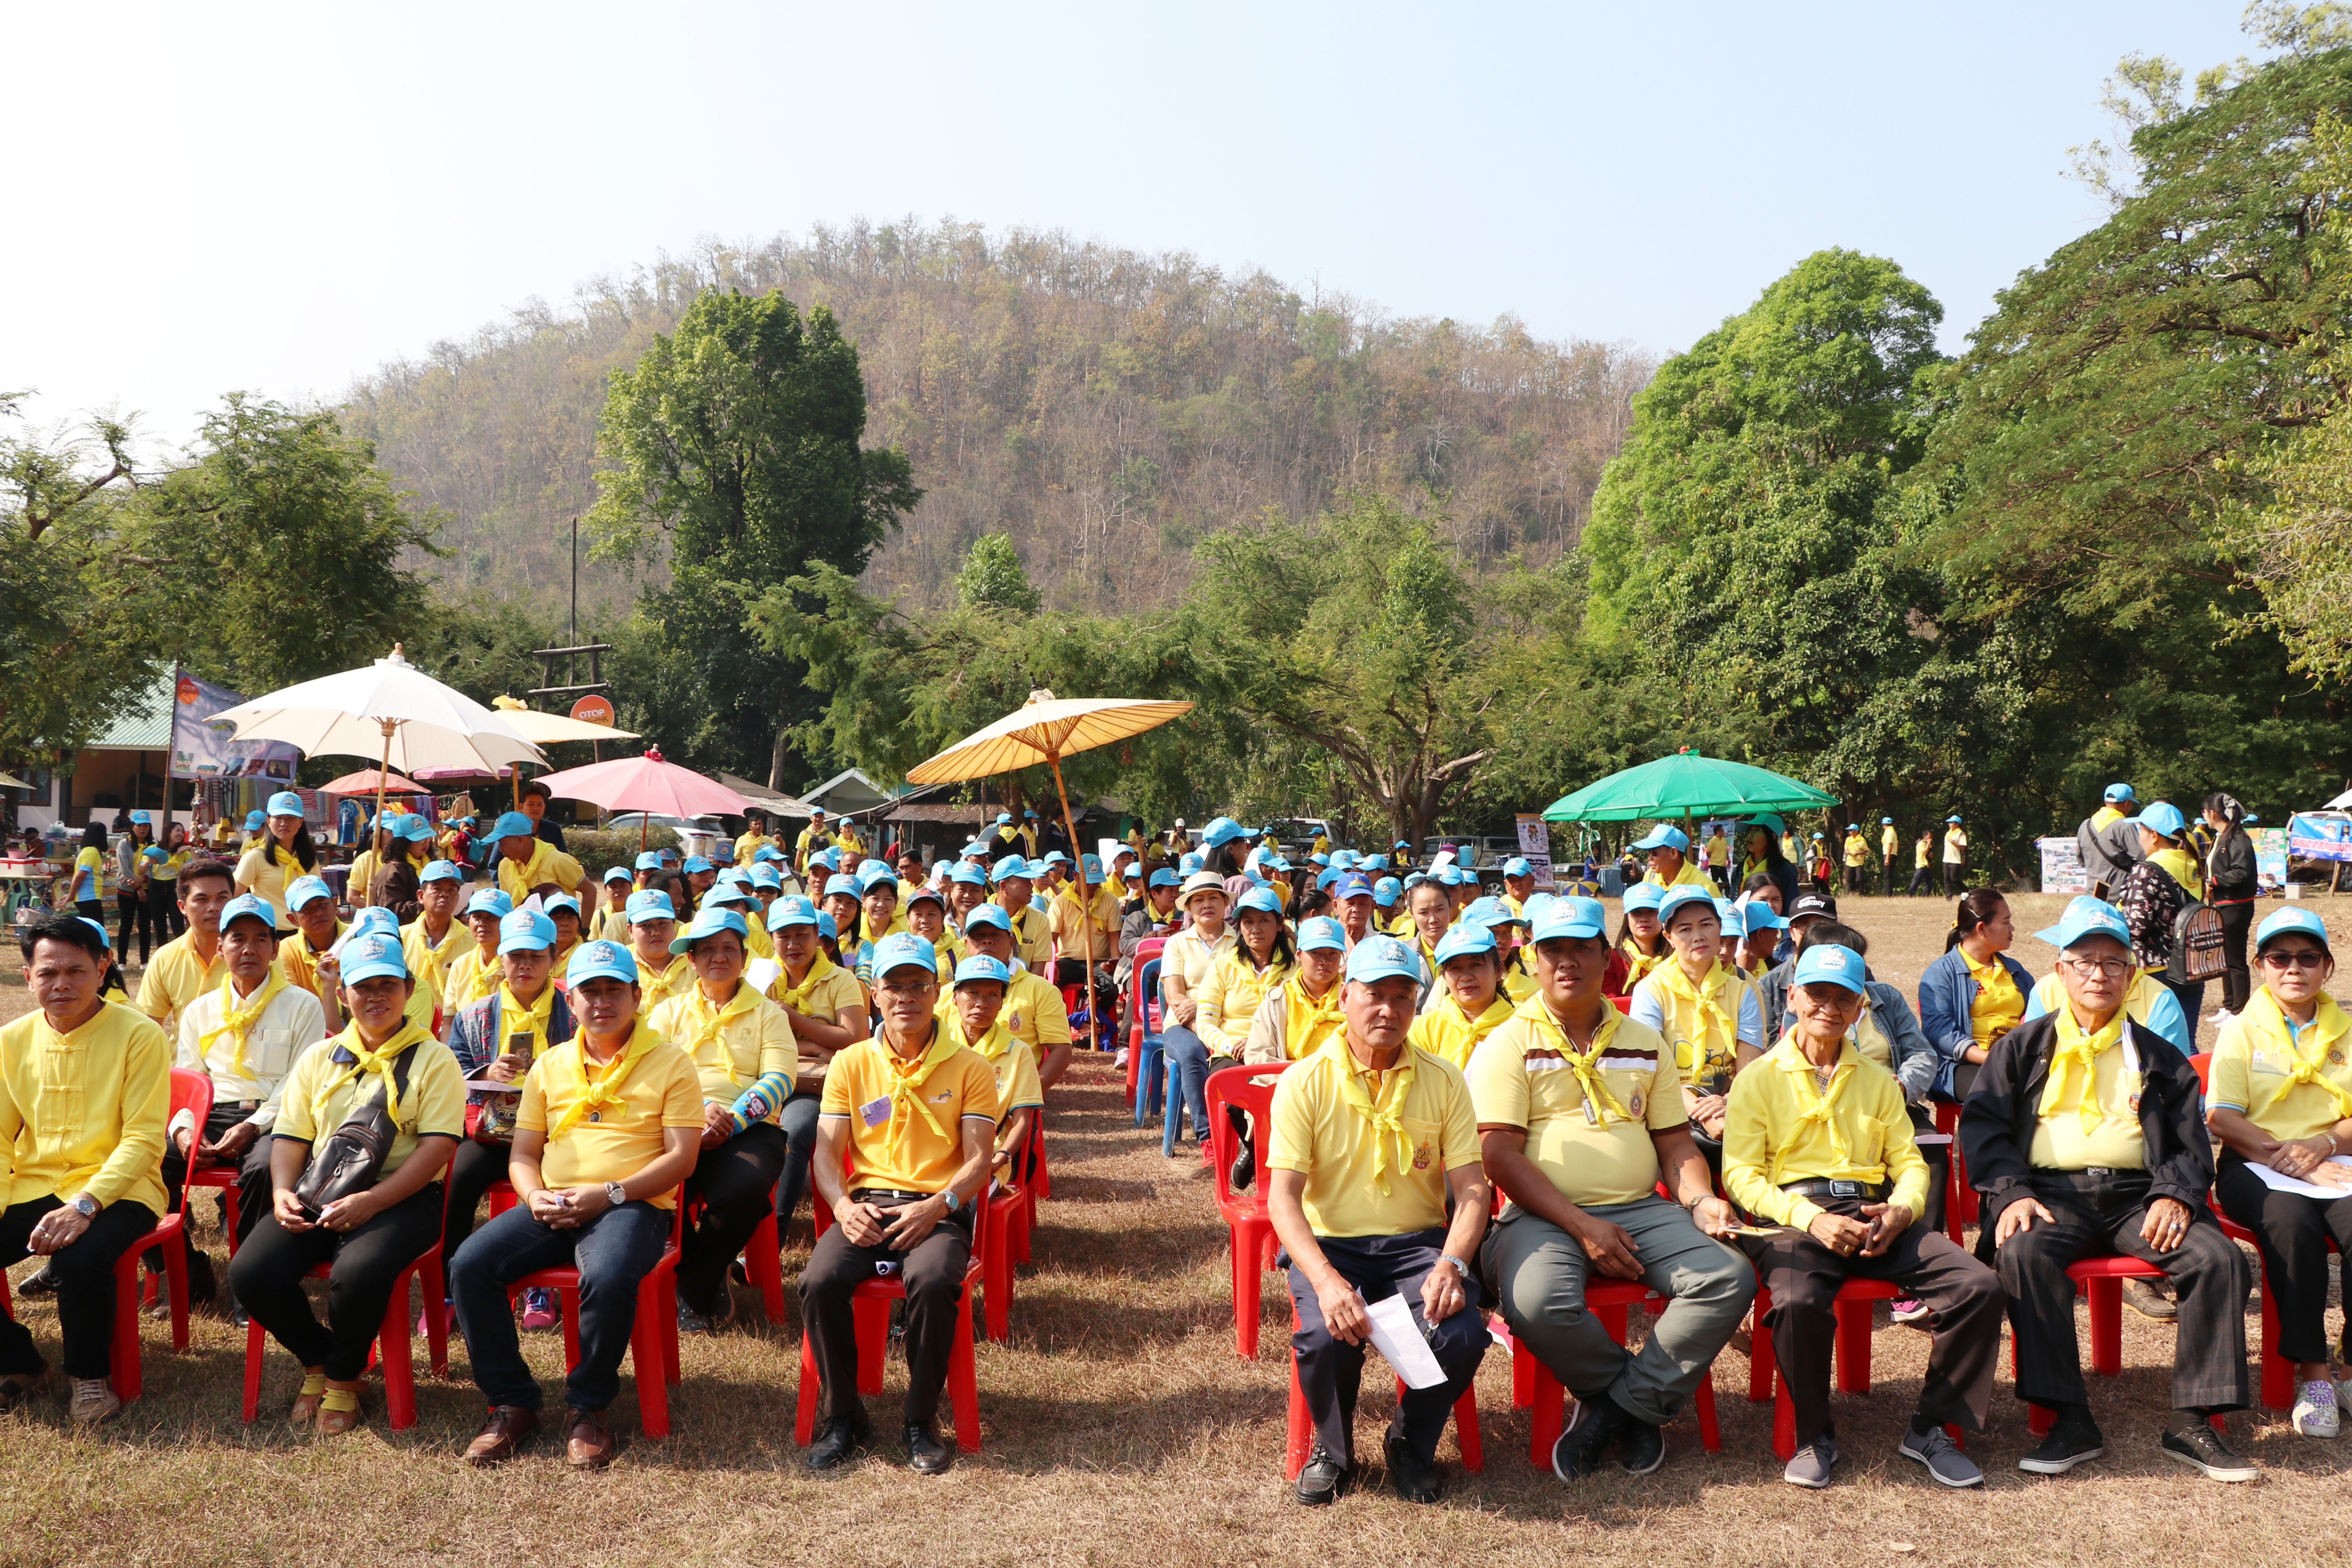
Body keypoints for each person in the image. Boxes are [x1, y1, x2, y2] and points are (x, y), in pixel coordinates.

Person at [1957, 897, 2256, 1482]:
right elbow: (1984, 1127)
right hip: (2048, 1194)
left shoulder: (2159, 1055)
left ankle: (2193, 1420)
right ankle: (2069, 1417)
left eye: (2113, 964)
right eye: (2085, 962)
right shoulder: (2020, 1047)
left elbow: (2189, 1142)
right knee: (2023, 1253)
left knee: (2217, 1258)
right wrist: (2012, 1193)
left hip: (2138, 1197)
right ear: (2061, 972)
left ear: (2132, 975)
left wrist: (2175, 1194)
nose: (2099, 975)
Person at [1470, 896, 1755, 1481]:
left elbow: (1676, 1143)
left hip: (1639, 1208)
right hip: (1541, 1215)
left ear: (1608, 958)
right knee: (1534, 1303)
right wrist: (1583, 1226)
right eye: (1553, 951)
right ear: (1532, 960)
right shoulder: (1507, 1040)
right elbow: (1498, 1154)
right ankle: (1631, 1399)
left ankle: (1619, 1409)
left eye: (1581, 948)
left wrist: (1701, 1199)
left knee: (1729, 1275)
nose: (1567, 962)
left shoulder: (1643, 1041)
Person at [1725, 943, 2003, 1489]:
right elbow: (1741, 1177)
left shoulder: (1878, 1081)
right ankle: (1814, 1434)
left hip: (1874, 1210)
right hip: (1792, 1215)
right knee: (1798, 1302)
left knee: (1979, 1285)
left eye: (1843, 998)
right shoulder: (1757, 1078)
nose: (1829, 1007)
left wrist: (1903, 1208)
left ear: (1859, 1010)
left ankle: (1931, 1426)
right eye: (1817, 994)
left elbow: (1910, 1162)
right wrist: (1809, 1218)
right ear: (1792, 996)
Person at [451, 941, 703, 1470]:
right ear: (573, 1003)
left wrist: (609, 1193)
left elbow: (682, 1159)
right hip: (556, 1200)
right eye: (591, 990)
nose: (603, 1001)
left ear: (638, 996)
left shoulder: (671, 1062)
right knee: (470, 1266)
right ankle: (512, 1402)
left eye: (615, 990)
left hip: (630, 1203)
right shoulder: (551, 1064)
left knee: (608, 1277)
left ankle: (588, 1406)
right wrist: (534, 1195)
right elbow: (523, 1154)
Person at [1267, 935, 1490, 1505]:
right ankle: (1334, 1453)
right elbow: (1283, 1199)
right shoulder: (1305, 1081)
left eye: (1402, 997)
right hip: (1331, 1242)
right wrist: (1325, 1280)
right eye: (1374, 995)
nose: (1388, 1010)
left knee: (1461, 1331)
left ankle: (1411, 1443)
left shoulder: (1443, 1080)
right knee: (1324, 1333)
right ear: (1345, 998)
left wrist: (1451, 1263)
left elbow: (1471, 1190)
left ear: (1418, 1005)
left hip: (1415, 1245)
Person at [227, 931, 463, 1434]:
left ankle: (341, 1376)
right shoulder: (320, 1057)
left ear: (408, 987)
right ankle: (319, 1357)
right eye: (363, 987)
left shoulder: (435, 1059)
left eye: (387, 985)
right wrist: (283, 1192)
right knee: (251, 1272)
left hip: (403, 1194)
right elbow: (291, 1136)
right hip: (320, 1188)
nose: (376, 996)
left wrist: (373, 1201)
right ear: (342, 994)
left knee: (357, 1270)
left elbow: (437, 1148)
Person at [799, 933, 1001, 1474]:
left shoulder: (971, 1068)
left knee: (935, 1282)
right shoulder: (851, 1063)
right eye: (894, 986)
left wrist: (938, 1206)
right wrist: (843, 1207)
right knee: (818, 1281)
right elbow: (825, 1153)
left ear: (937, 993)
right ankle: (844, 1415)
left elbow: (981, 1161)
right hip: (866, 1204)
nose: (906, 997)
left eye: (918, 985)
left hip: (938, 1209)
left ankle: (920, 1417)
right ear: (874, 993)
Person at [0, 914, 170, 1423]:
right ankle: (23, 1363)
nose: (62, 985)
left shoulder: (139, 1035)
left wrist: (86, 1204)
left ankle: (88, 1377)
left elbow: (143, 1139)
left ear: (103, 968)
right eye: (48, 973)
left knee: (79, 1257)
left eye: (76, 971)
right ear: (27, 976)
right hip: (37, 1183)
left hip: (123, 1189)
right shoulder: (10, 1040)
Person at [2203, 907, 2352, 1437]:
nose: (2294, 968)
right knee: (2292, 1226)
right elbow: (2221, 1117)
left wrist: (2324, 1144)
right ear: (2260, 966)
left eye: (2307, 957)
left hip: (2337, 1162)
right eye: (2279, 957)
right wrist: (2293, 1161)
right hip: (2257, 1165)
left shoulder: (2348, 1029)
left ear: (2327, 967)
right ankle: (2312, 1373)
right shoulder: (2243, 1031)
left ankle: (2350, 1367)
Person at [166, 893, 324, 1315]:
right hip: (211, 1113)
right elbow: (189, 1080)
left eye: (261, 938)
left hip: (275, 1116)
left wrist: (254, 1125)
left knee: (263, 1167)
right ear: (221, 947)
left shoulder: (302, 1005)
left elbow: (299, 1081)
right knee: (146, 1160)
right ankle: (184, 1267)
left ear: (276, 948)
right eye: (238, 938)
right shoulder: (200, 1010)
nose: (249, 948)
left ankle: (250, 1282)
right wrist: (183, 1132)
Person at [646, 907, 797, 1334]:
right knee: (646, 1183)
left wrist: (731, 1118)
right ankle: (707, 1276)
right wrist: (696, 1113)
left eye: (729, 948)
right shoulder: (667, 1012)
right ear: (691, 959)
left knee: (747, 1188)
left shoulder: (769, 1014)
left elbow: (781, 1078)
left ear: (744, 957)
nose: (719, 956)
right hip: (677, 1122)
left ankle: (690, 1283)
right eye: (708, 948)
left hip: (747, 1127)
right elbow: (653, 1074)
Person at [441, 907, 577, 1325]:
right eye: (516, 956)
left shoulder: (574, 1012)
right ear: (500, 960)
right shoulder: (474, 1015)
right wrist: (485, 1073)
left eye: (536, 956)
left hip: (556, 1132)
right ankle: (449, 1290)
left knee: (557, 1177)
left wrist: (551, 1074)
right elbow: (450, 1072)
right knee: (458, 1176)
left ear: (553, 958)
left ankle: (541, 1288)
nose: (525, 966)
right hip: (492, 1133)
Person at [1630, 886, 1763, 1174]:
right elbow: (1649, 1072)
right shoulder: (1651, 991)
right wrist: (1701, 1112)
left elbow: (1750, 1070)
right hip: (1671, 1104)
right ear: (1668, 937)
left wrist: (1728, 1104)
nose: (1698, 936)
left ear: (1719, 929)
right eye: (1685, 929)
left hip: (1730, 1103)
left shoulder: (1742, 991)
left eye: (1706, 925)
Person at [764, 894, 871, 1237]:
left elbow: (856, 1039)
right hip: (764, 1076)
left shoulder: (842, 979)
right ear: (771, 938)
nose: (794, 944)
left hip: (814, 1087)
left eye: (802, 934)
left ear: (817, 935)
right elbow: (751, 1039)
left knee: (795, 1130)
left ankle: (772, 1235)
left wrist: (793, 1018)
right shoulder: (762, 977)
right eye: (784, 936)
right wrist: (813, 1045)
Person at [1169, 886, 1292, 1149]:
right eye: (1248, 922)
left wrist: (1259, 1045)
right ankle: (1255, 1147)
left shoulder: (1295, 967)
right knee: (1235, 1087)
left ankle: (1261, 1150)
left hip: (1282, 1053)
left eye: (1264, 921)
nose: (1255, 929)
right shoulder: (1224, 965)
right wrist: (1232, 1046)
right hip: (1232, 1053)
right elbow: (1205, 1023)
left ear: (1280, 925)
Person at [1918, 889, 2033, 1111]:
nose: (2012, 929)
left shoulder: (2015, 971)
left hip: (2013, 1063)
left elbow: (2038, 1015)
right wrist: (1990, 1059)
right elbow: (1940, 1031)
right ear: (1982, 929)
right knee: (2000, 1095)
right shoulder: (1942, 973)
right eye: (2006, 922)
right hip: (1961, 1066)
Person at [938, 954, 1045, 1182]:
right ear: (955, 997)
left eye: (993, 995)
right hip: (937, 1154)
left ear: (1002, 1003)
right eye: (973, 993)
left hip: (989, 1156)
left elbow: (1023, 1120)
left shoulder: (1018, 1051)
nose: (982, 1003)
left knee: (961, 1202)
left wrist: (1002, 1157)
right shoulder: (938, 1046)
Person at [956, 904, 1073, 1088]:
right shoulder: (950, 992)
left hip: (1010, 1090)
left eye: (995, 935)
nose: (987, 942)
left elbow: (1061, 1051)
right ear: (966, 943)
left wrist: (1029, 1093)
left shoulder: (1040, 989)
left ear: (1011, 943)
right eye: (978, 937)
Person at [2114, 800, 2207, 1028]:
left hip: (2157, 971)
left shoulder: (2146, 870)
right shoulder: (2191, 863)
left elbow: (2136, 927)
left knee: (2154, 1042)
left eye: (2141, 830)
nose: (2140, 837)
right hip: (2191, 966)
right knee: (2187, 1041)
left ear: (2154, 835)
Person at [136, 857, 240, 1040]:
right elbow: (146, 1029)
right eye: (202, 899)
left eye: (222, 898)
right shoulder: (165, 958)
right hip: (183, 1066)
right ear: (182, 907)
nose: (214, 908)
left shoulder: (257, 954)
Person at [1409, 925, 1515, 1071]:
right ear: (1444, 976)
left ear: (1498, 970)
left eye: (1476, 965)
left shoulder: (1521, 1026)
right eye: (1455, 968)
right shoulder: (1423, 1030)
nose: (1466, 977)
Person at [2201, 794, 2258, 1020]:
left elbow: (2242, 872)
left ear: (2213, 814)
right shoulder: (2221, 837)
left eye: (2204, 812)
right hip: (2222, 905)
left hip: (2236, 907)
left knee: (2235, 959)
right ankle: (2229, 1005)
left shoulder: (2238, 839)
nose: (2203, 816)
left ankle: (2239, 1010)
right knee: (2224, 959)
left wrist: (2214, 881)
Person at [235, 791, 316, 932]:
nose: (284, 823)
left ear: (301, 822)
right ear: (268, 821)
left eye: (291, 818)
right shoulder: (255, 857)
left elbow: (317, 897)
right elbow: (234, 897)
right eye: (278, 818)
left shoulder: (309, 858)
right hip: (268, 934)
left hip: (305, 934)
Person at [491, 810, 585, 911]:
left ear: (520, 840)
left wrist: (583, 927)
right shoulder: (504, 865)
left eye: (502, 844)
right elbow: (507, 907)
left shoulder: (557, 860)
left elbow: (590, 891)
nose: (500, 849)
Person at [440, 889, 513, 1013]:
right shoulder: (461, 965)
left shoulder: (516, 965)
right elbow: (449, 1018)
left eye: (492, 917)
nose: (482, 924)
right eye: (477, 917)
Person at [2076, 783, 2143, 902]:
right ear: (2127, 803)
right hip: (2119, 897)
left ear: (2106, 802)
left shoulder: (2085, 825)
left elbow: (2081, 860)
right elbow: (2142, 856)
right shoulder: (2124, 826)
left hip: (2093, 896)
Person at [113, 810, 158, 965]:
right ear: (132, 827)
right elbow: (124, 867)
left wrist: (144, 879)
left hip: (147, 889)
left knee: (145, 925)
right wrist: (138, 888)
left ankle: (144, 961)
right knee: (126, 925)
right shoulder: (124, 844)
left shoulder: (153, 845)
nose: (142, 829)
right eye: (139, 825)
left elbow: (154, 868)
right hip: (126, 889)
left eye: (146, 825)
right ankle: (122, 962)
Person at [1612, 882, 1668, 995]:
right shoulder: (1612, 960)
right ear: (1627, 920)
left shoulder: (1678, 957)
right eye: (1636, 913)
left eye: (1652, 912)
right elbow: (1610, 1003)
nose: (1643, 919)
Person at [1633, 826, 1713, 893]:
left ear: (1674, 853)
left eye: (1654, 853)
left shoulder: (1705, 887)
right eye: (1649, 852)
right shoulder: (1650, 876)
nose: (1649, 858)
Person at [150, 821, 191, 940]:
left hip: (175, 888)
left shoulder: (184, 852)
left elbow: (196, 867)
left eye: (183, 832)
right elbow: (142, 870)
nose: (180, 834)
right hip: (156, 888)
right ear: (169, 832)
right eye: (177, 831)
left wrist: (190, 849)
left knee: (178, 926)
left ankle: (184, 955)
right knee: (160, 927)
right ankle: (163, 956)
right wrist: (148, 862)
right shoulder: (154, 849)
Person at [68, 820, 107, 923]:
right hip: (89, 897)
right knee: (96, 931)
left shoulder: (87, 851)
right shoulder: (91, 851)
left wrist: (71, 893)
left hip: (88, 898)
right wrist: (71, 894)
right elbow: (80, 876)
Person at [1939, 815, 1967, 897]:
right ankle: (1949, 897)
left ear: (1957, 824)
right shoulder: (1948, 833)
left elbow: (1963, 847)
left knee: (1955, 879)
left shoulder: (1961, 834)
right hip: (1946, 859)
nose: (1950, 824)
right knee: (1946, 880)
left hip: (1955, 860)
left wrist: (1953, 842)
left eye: (1952, 823)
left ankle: (1967, 891)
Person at [1840, 824, 1869, 896]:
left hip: (1859, 862)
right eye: (1849, 830)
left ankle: (1861, 893)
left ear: (1856, 831)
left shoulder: (1862, 840)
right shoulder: (1848, 839)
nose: (1850, 832)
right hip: (1850, 861)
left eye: (1851, 830)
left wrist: (1859, 853)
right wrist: (1848, 852)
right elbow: (1846, 849)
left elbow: (1866, 850)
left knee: (1859, 879)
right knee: (1850, 878)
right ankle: (1853, 892)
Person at [1907, 829, 1935, 897]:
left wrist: (1931, 856)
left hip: (1928, 865)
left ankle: (1926, 894)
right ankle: (1910, 893)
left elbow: (1930, 853)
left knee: (1929, 881)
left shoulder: (1929, 844)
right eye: (1930, 836)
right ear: (1925, 836)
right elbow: (1925, 853)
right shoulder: (1921, 844)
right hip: (1922, 865)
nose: (1931, 838)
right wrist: (1928, 844)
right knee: (1917, 880)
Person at [1880, 817, 1899, 898]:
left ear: (1884, 825)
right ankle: (1889, 893)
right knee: (1889, 875)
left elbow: (1890, 845)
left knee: (1887, 876)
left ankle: (1889, 894)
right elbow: (1898, 844)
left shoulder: (1889, 832)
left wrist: (1888, 858)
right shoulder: (1893, 831)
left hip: (1889, 855)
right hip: (1892, 854)